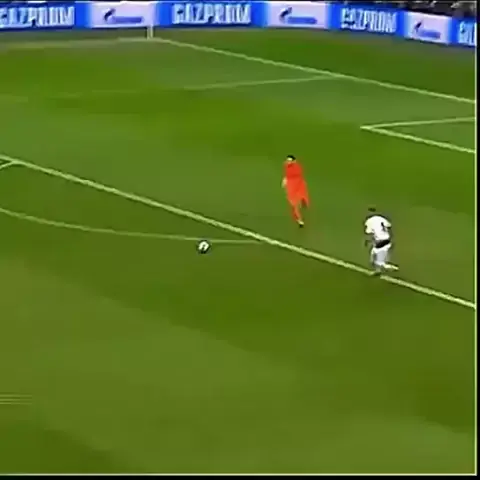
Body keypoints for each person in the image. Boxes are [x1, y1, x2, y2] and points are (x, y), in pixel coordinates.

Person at [364, 207, 399, 275]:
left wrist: (367, 241)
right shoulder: (381, 218)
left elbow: (369, 233)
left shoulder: (369, 221)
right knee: (373, 259)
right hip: (387, 240)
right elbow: (389, 226)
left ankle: (393, 268)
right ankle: (378, 271)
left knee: (379, 263)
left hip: (380, 243)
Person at [282, 155, 310, 227]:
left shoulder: (297, 167)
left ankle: (302, 204)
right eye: (287, 160)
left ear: (294, 161)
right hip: (292, 187)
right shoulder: (286, 166)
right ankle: (299, 220)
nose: (288, 162)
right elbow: (287, 174)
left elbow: (296, 175)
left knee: (302, 199)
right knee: (294, 204)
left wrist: (286, 179)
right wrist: (285, 180)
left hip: (298, 185)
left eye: (290, 161)